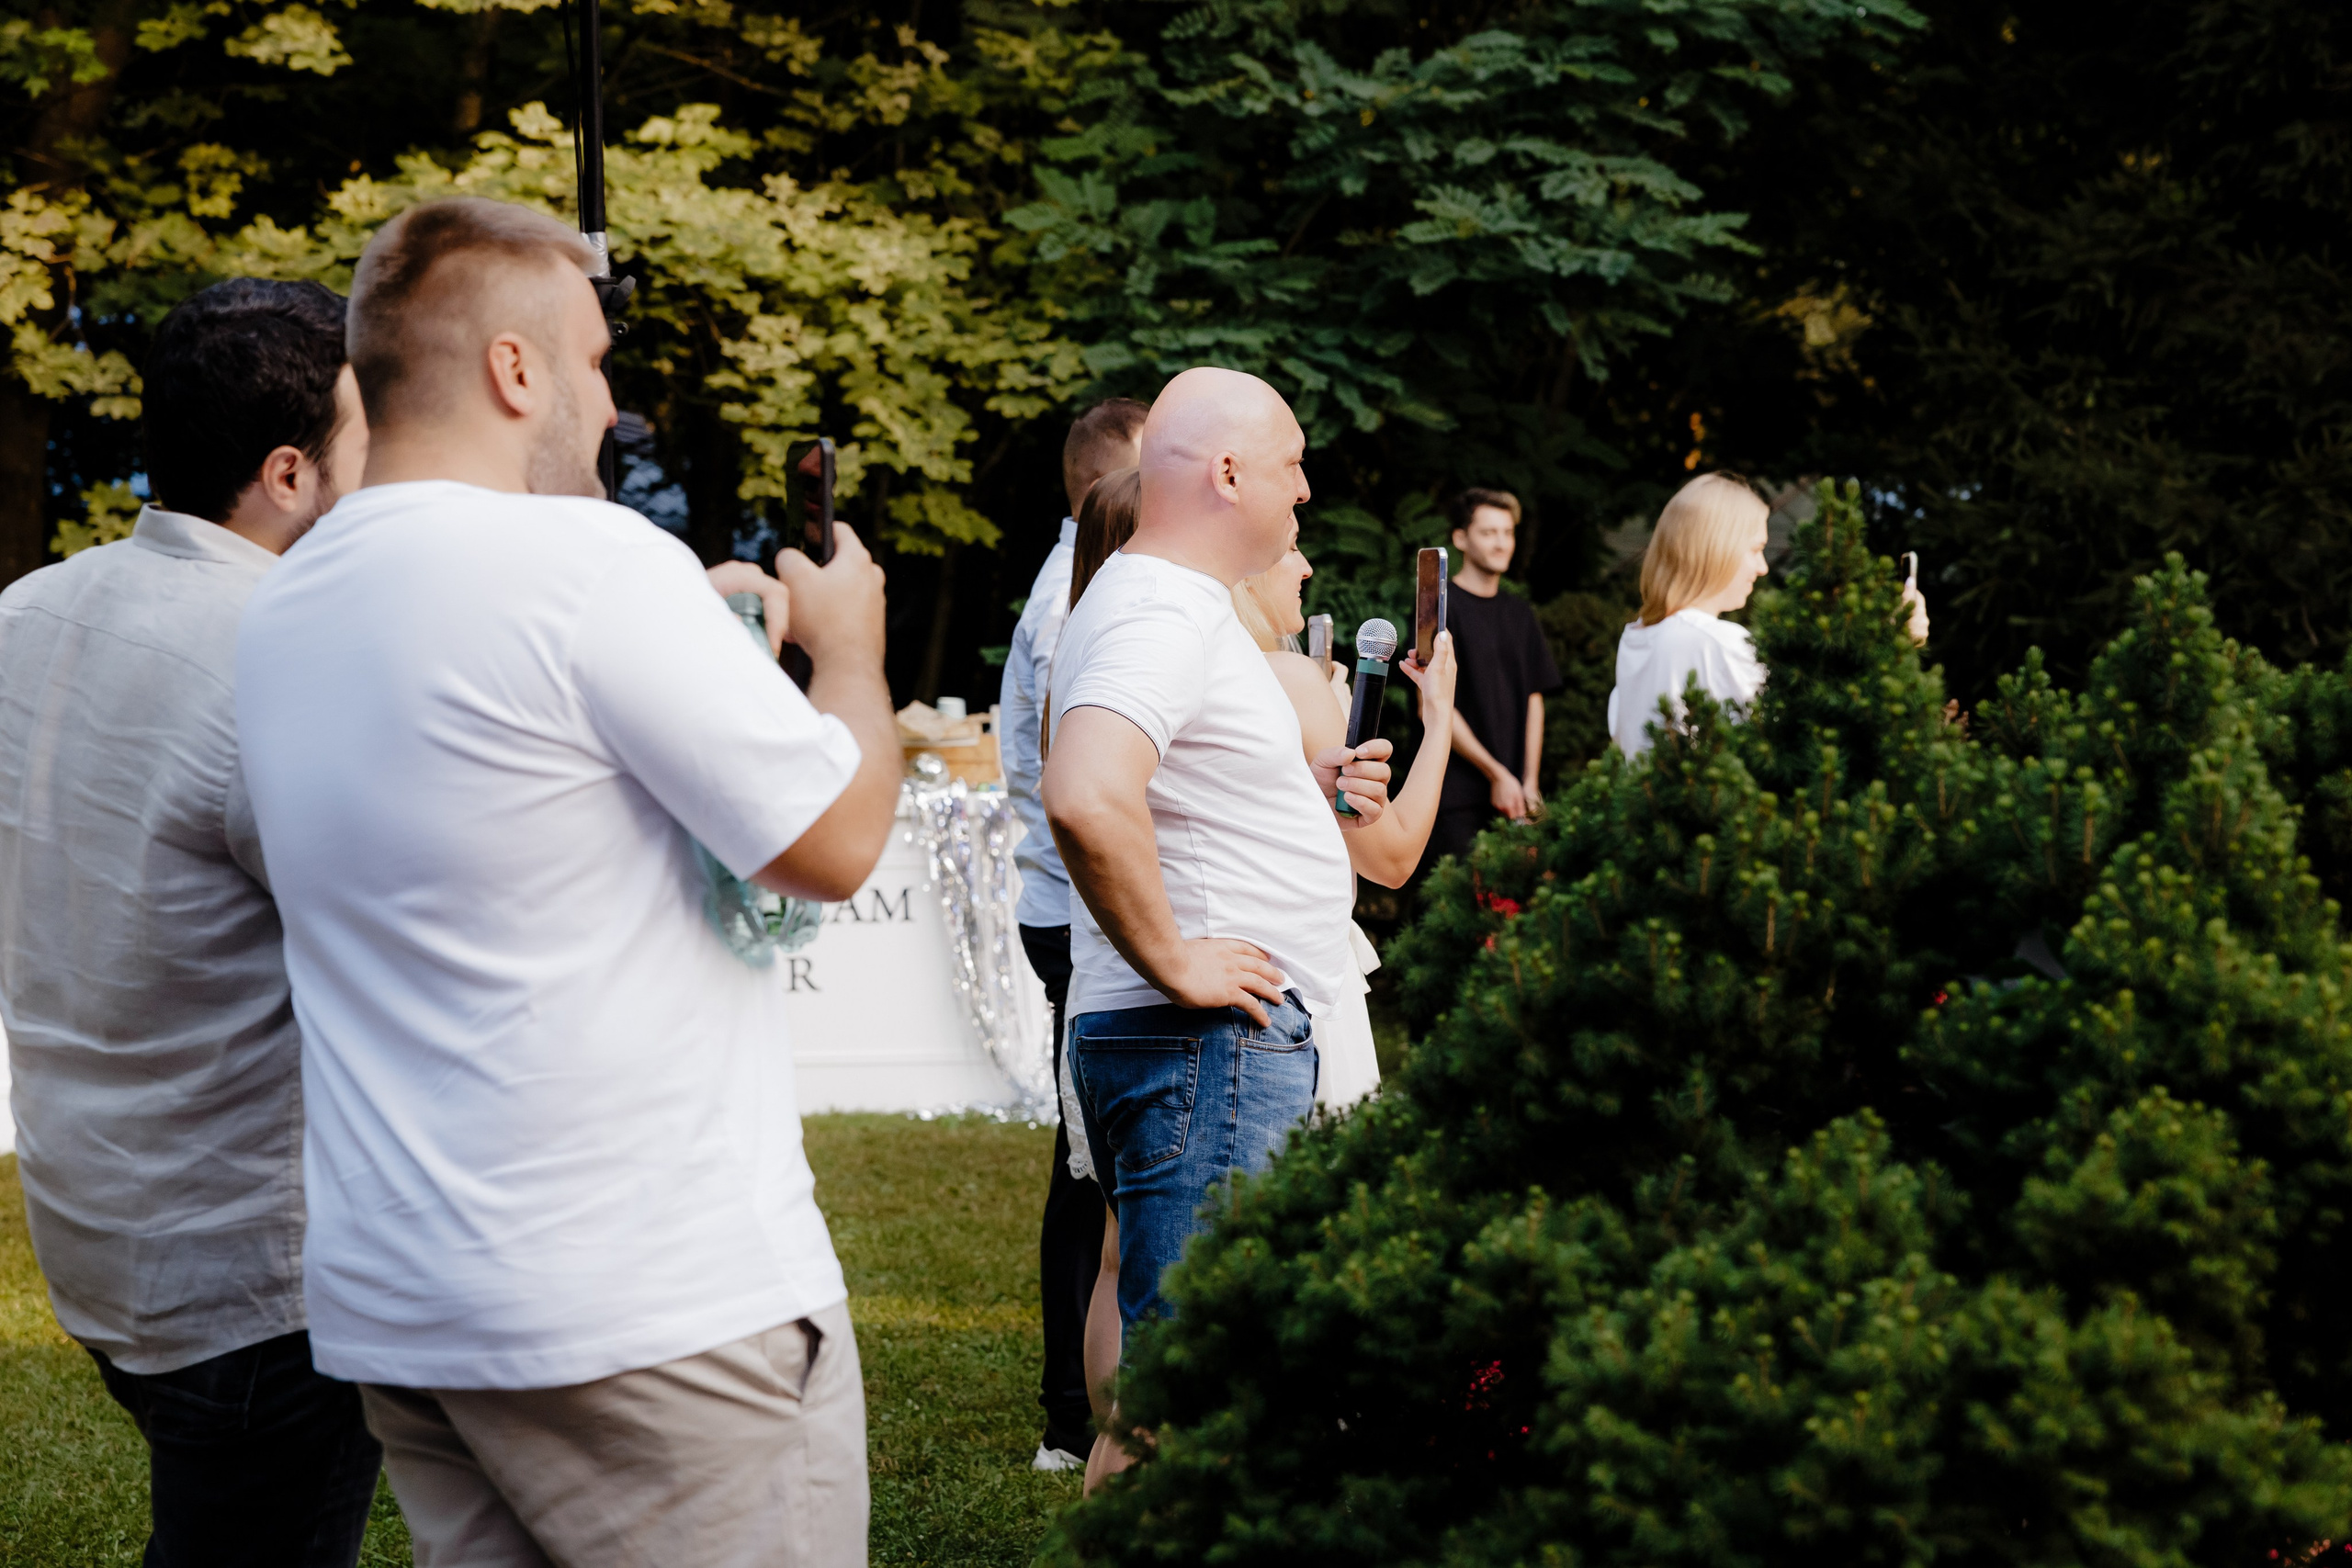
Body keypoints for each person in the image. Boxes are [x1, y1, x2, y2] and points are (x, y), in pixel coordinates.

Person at [233, 197, 900, 1566]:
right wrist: (850, 653)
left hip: (408, 1307)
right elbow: (830, 844)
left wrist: (694, 636)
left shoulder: (284, 602)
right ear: (514, 369)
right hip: (649, 1309)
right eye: (595, 363)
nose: (613, 408)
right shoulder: (590, 566)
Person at [0, 279, 379, 1565]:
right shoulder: (283, 650)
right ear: (288, 470)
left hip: (98, 1226)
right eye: (364, 442)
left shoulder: (25, 612)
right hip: (251, 1277)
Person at [1043, 366, 1392, 1341]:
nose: (1306, 490)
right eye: (1294, 465)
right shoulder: (1159, 608)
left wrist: (1299, 792)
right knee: (1196, 1387)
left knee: (1195, 1387)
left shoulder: (1167, 603)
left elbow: (1156, 789)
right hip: (1205, 1048)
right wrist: (1175, 958)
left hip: (1208, 1050)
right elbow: (1084, 791)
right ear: (1230, 474)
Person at [1000, 398, 1148, 1472]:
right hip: (1074, 910)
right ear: (1107, 487)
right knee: (1085, 1168)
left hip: (1075, 904)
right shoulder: (1072, 607)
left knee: (1087, 1162)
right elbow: (1069, 785)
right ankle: (1067, 1416)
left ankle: (1076, 1403)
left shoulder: (1093, 592)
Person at [1230, 546, 1458, 1105]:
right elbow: (1392, 857)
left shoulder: (1200, 670)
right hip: (1297, 989)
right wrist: (1440, 721)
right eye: (1287, 547)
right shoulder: (1290, 680)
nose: (1306, 565)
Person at [1606, 470, 1929, 757]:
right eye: (1755, 549)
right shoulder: (1716, 643)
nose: (1762, 568)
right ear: (1718, 547)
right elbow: (1806, 741)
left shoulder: (1637, 639)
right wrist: (1898, 643)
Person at [1423, 488, 1563, 873]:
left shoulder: (1520, 613)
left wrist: (1529, 781)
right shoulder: (1440, 609)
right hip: (1458, 797)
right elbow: (1431, 703)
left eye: (1508, 533)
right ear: (1461, 538)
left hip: (1517, 797)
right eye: (1489, 533)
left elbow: (1535, 698)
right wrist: (1495, 773)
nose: (1502, 543)